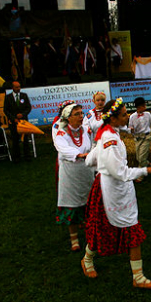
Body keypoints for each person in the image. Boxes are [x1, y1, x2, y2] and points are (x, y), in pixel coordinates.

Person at [81, 98, 151, 289]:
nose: (128, 116)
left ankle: (138, 277)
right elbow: (120, 172)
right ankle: (87, 260)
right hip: (110, 191)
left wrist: (101, 161)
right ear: (114, 119)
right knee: (104, 228)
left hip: (113, 188)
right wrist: (148, 170)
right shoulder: (109, 139)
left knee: (131, 227)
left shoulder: (108, 133)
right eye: (125, 114)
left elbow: (89, 160)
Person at [53, 101, 95, 252]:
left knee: (89, 203)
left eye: (81, 113)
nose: (81, 116)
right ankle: (74, 239)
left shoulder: (86, 130)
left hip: (86, 171)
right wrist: (79, 154)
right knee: (71, 205)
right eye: (77, 114)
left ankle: (91, 234)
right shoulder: (61, 132)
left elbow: (93, 144)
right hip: (70, 174)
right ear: (68, 117)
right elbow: (62, 148)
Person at [128, 97, 151, 174]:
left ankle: (140, 175)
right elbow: (130, 129)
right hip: (137, 138)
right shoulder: (132, 117)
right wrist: (131, 130)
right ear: (139, 107)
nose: (145, 107)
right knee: (138, 158)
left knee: (141, 158)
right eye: (144, 105)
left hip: (146, 137)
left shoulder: (148, 114)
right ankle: (149, 165)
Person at [3, 81, 32, 163]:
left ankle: (27, 156)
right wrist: (13, 118)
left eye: (19, 87)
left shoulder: (24, 96)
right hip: (13, 122)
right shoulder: (8, 97)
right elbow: (6, 110)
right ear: (12, 87)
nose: (18, 88)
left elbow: (28, 107)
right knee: (15, 139)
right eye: (16, 87)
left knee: (25, 139)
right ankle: (16, 157)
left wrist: (22, 114)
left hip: (23, 121)